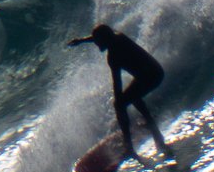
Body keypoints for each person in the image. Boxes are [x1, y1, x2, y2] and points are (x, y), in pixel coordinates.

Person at [67, 22, 170, 158]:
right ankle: (156, 133)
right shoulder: (119, 37)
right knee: (133, 96)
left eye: (98, 42)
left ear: (104, 40)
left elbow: (117, 85)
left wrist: (119, 111)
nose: (97, 46)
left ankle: (129, 148)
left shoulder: (113, 56)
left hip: (150, 78)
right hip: (156, 71)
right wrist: (82, 41)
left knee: (120, 103)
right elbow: (102, 36)